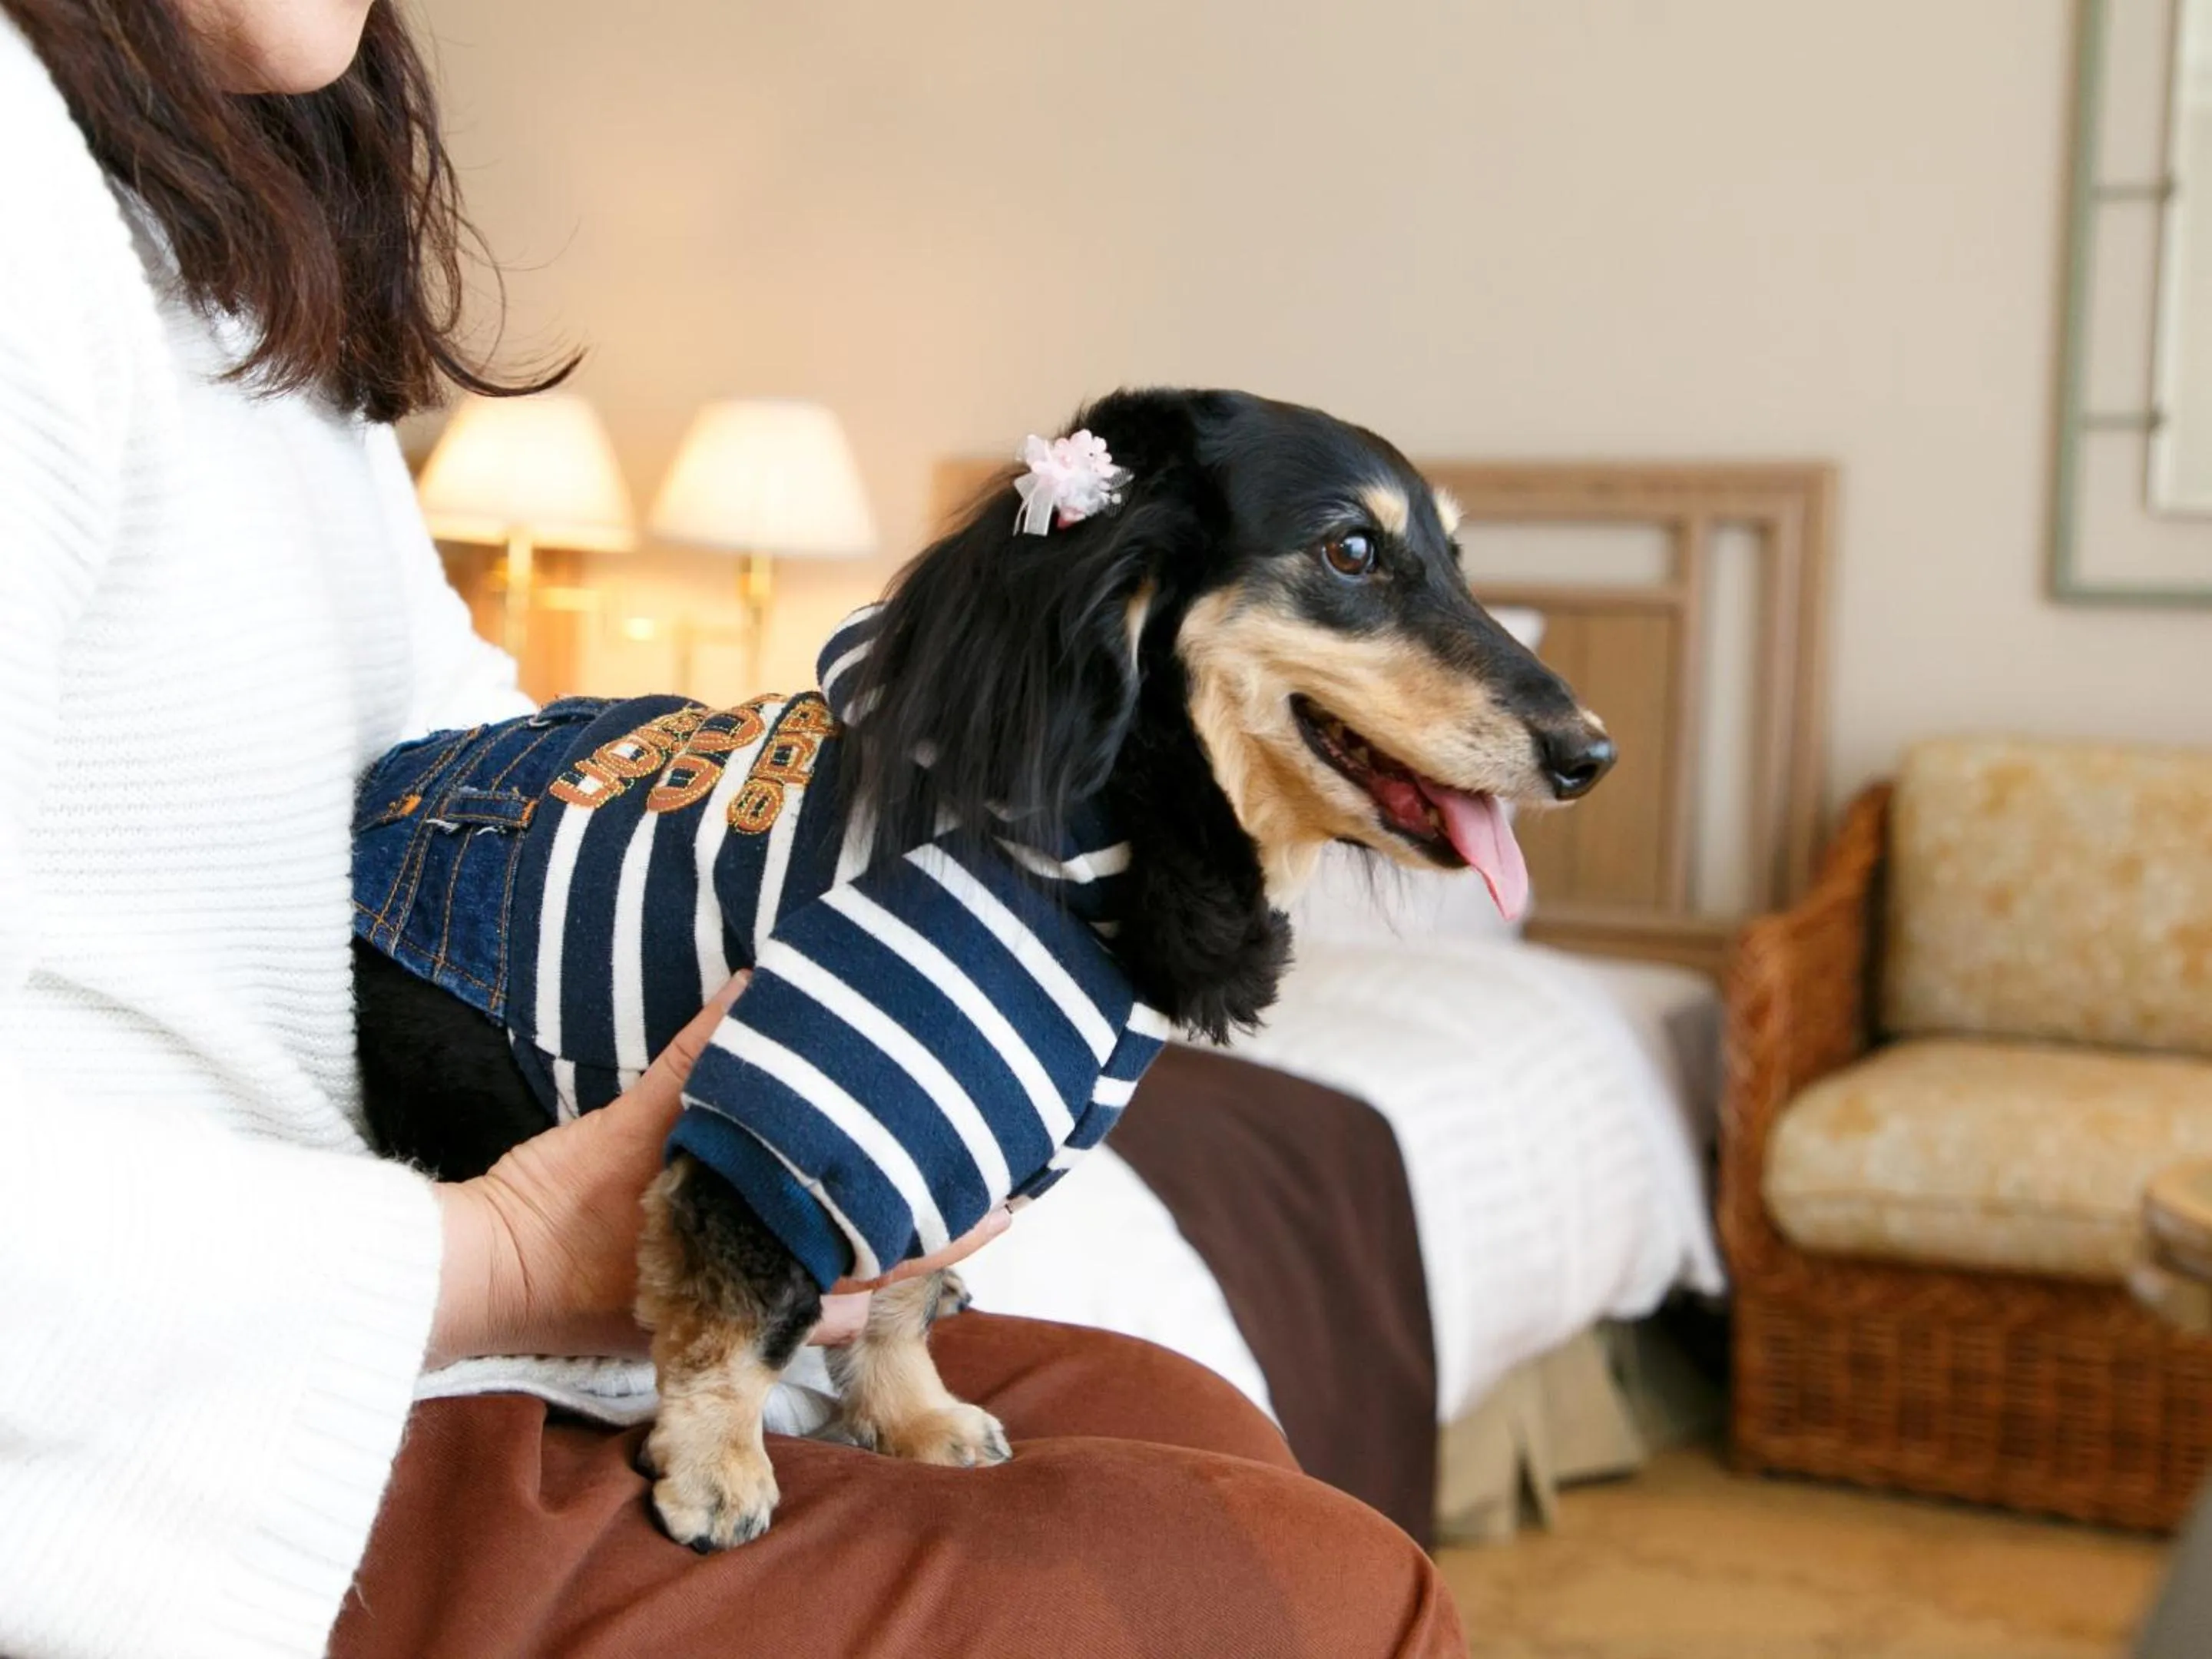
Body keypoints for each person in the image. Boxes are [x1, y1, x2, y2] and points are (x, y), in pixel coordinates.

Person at [0, 1, 1469, 1654]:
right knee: (1322, 1600)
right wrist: (497, 1253)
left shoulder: (224, 220)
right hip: (169, 1435)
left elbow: (461, 747)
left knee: (1194, 1424)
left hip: (421, 1258)